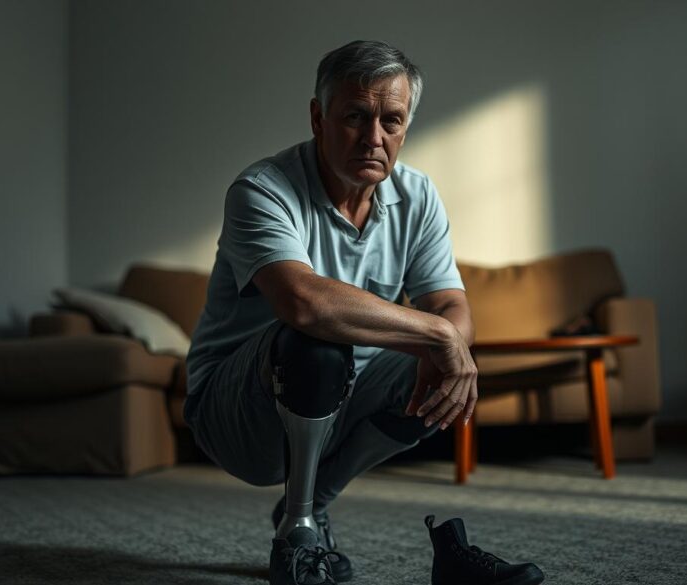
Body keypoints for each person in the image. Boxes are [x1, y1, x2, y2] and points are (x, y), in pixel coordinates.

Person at [184, 40, 477, 585]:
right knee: (316, 340)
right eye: (355, 117)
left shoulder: (418, 196)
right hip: (239, 414)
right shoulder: (262, 190)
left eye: (391, 120)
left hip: (345, 397)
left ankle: (310, 505)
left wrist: (447, 341)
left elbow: (449, 305)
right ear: (318, 118)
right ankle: (295, 537)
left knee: (443, 361)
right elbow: (304, 302)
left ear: (406, 126)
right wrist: (437, 334)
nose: (374, 138)